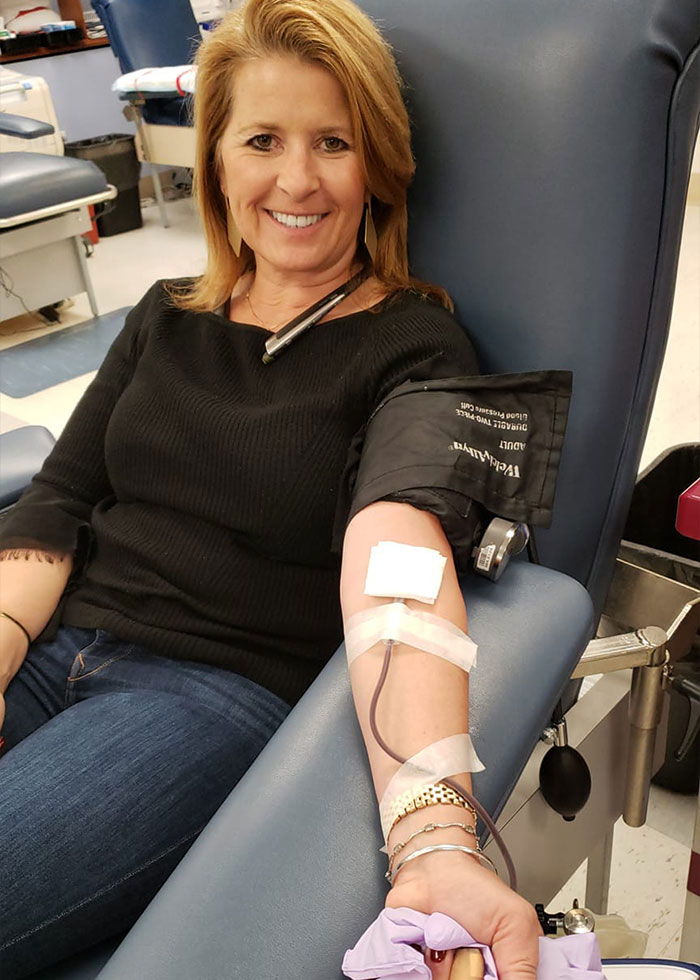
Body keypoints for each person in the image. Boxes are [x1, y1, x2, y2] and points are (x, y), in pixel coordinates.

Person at [0, 0, 541, 977]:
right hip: (55, 641)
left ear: (377, 163)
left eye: (333, 141)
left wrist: (434, 838)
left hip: (203, 693)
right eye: (262, 139)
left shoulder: (414, 345)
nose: (296, 179)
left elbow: (398, 560)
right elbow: (59, 498)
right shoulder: (165, 315)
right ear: (215, 160)